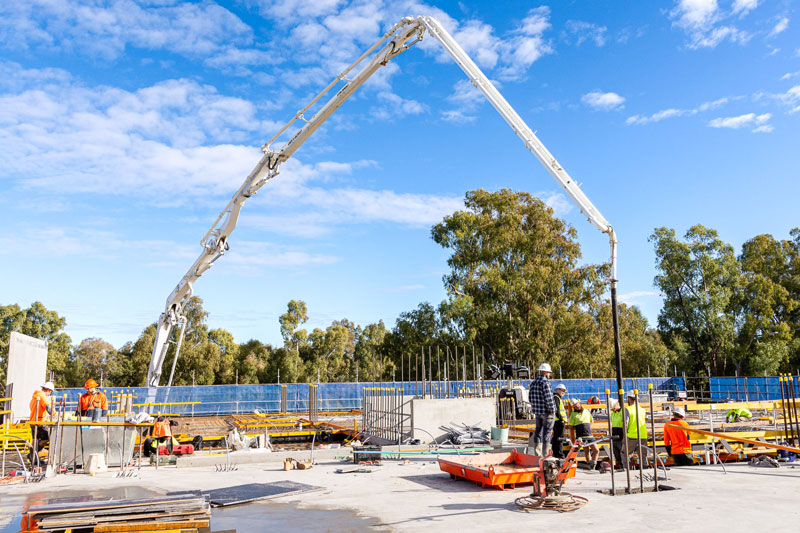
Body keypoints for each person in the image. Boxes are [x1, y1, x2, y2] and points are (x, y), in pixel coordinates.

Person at [527, 363, 555, 456]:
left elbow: (530, 398)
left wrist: (535, 407)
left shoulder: (533, 382)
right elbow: (549, 398)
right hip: (547, 412)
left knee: (538, 432)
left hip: (538, 412)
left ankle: (537, 453)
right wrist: (553, 410)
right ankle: (546, 454)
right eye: (549, 373)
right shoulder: (545, 382)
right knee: (547, 433)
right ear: (545, 372)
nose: (549, 375)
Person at [569, 398, 599, 469]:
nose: (577, 406)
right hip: (581, 437)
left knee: (596, 450)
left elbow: (592, 420)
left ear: (579, 403)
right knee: (586, 451)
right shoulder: (573, 414)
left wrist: (587, 427)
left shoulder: (586, 411)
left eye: (577, 404)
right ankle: (590, 466)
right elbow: (571, 427)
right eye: (575, 406)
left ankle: (593, 463)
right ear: (573, 407)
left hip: (589, 435)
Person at [29, 381, 55, 463]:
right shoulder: (42, 396)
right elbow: (48, 406)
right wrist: (54, 414)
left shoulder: (34, 397)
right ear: (48, 390)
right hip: (39, 423)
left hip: (33, 422)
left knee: (35, 439)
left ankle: (33, 458)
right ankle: (32, 454)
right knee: (46, 438)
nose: (49, 394)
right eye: (50, 392)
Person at [622, 390, 648, 467]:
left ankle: (627, 469)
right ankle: (645, 469)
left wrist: (624, 436)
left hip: (632, 436)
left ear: (629, 399)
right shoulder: (642, 409)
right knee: (643, 455)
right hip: (643, 436)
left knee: (624, 453)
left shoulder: (627, 409)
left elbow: (625, 424)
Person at [551, 383, 568, 458]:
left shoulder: (557, 398)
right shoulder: (556, 397)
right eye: (562, 390)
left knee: (556, 437)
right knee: (559, 438)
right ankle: (559, 454)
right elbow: (557, 410)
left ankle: (556, 453)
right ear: (557, 390)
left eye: (564, 391)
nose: (563, 392)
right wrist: (561, 419)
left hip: (558, 421)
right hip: (559, 421)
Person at [609, 398, 625, 469]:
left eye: (613, 408)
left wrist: (624, 437)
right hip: (614, 436)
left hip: (621, 436)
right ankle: (620, 466)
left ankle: (625, 467)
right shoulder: (613, 414)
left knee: (623, 453)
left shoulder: (623, 412)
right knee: (616, 454)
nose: (612, 409)